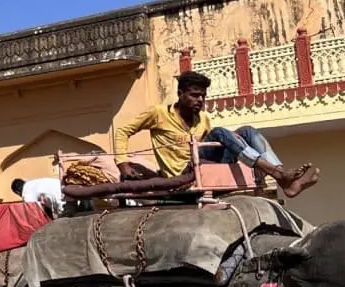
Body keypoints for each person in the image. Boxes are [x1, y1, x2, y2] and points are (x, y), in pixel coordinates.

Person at [112, 71, 319, 197]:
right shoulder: (158, 114)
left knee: (247, 131)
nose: (200, 100)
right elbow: (122, 130)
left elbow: (210, 149)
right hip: (182, 175)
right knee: (220, 132)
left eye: (203, 96)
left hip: (205, 168)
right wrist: (123, 162)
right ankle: (279, 175)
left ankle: (282, 177)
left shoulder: (203, 120)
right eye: (194, 95)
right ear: (180, 94)